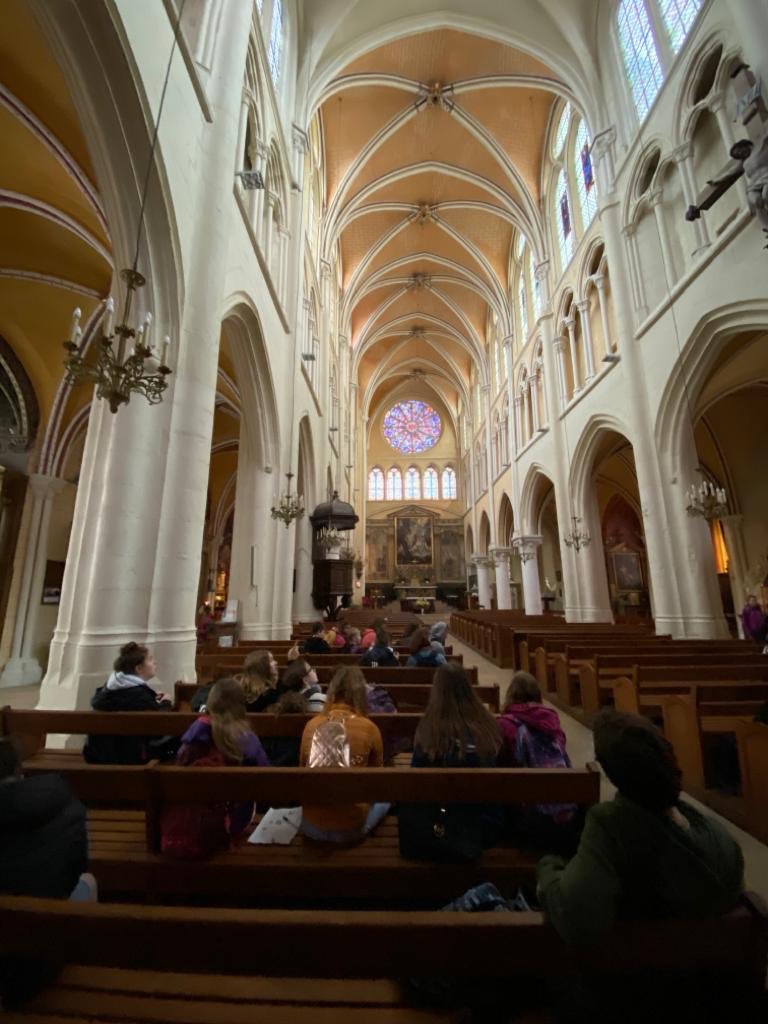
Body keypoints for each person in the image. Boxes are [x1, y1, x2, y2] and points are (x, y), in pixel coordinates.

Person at [536, 710, 744, 948]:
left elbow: (576, 917)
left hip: (640, 973)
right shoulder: (719, 839)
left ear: (613, 772)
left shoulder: (612, 826)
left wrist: (548, 869)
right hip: (711, 972)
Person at [399, 663, 503, 861]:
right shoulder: (487, 727)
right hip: (482, 827)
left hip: (439, 827)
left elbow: (416, 783)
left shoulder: (429, 731)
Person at [161, 679, 270, 858]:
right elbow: (267, 778)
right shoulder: (244, 737)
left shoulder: (193, 735)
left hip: (191, 816)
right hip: (231, 821)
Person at [299, 665, 386, 842]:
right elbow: (377, 782)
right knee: (387, 798)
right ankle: (366, 827)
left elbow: (302, 770)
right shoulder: (369, 728)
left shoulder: (311, 725)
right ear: (361, 693)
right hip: (351, 828)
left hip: (311, 825)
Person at [0, 737, 92, 901]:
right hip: (54, 909)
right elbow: (78, 863)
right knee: (88, 881)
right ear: (18, 769)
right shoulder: (60, 799)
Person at [497, 672, 578, 852]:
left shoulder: (504, 724)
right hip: (559, 804)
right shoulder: (551, 720)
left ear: (510, 694)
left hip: (527, 812)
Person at [84, 642, 172, 764]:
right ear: (138, 668)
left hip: (99, 756)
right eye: (150, 660)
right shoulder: (141, 696)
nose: (155, 663)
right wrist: (166, 703)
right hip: (130, 758)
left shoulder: (107, 691)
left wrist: (153, 699)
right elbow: (159, 728)